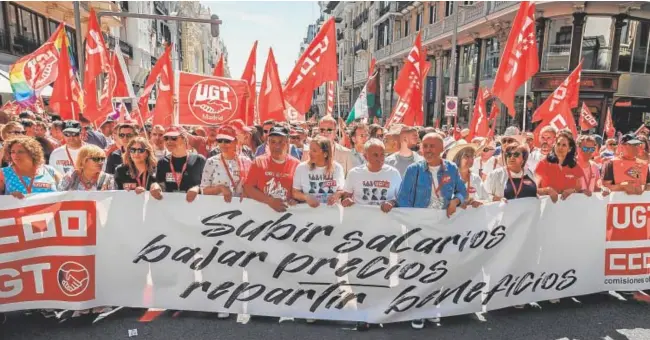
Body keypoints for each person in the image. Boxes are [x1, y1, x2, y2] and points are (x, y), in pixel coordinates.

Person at [395, 133, 466, 330]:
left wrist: (456, 200)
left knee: (436, 269)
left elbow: (462, 190)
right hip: (419, 229)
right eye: (424, 146)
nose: (427, 150)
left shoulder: (451, 168)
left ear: (441, 148)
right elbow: (403, 199)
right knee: (417, 271)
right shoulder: (413, 170)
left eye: (432, 146)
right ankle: (417, 311)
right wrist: (414, 225)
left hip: (442, 228)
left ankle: (432, 307)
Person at [244, 125, 300, 212]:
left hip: (287, 217)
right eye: (273, 142)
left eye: (281, 142)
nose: (276, 146)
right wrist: (270, 201)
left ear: (288, 143)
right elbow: (248, 188)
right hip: (261, 218)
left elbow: (300, 192)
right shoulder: (258, 162)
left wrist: (296, 200)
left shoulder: (296, 165)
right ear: (268, 143)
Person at [341, 138, 401, 210]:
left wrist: (392, 203)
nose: (380, 158)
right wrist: (348, 201)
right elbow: (345, 198)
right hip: (361, 219)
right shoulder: (354, 173)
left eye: (382, 154)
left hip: (386, 219)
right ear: (365, 156)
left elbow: (401, 199)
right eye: (375, 155)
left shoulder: (394, 173)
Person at [149, 126, 206, 202]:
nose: (169, 141)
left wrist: (197, 189)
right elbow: (160, 183)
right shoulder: (162, 162)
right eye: (166, 138)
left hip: (193, 206)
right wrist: (155, 185)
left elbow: (208, 185)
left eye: (173, 138)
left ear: (185, 139)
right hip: (170, 206)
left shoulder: (199, 160)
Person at [201, 125, 252, 202]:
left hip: (241, 207)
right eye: (220, 140)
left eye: (227, 141)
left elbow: (253, 187)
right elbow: (203, 190)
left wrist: (247, 192)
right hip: (216, 207)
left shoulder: (247, 161)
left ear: (236, 141)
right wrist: (220, 188)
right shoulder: (211, 161)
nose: (223, 144)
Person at [292, 136, 344, 207]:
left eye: (314, 151)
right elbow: (295, 192)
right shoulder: (301, 168)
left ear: (325, 154)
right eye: (310, 150)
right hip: (309, 213)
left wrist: (336, 195)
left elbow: (342, 190)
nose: (310, 153)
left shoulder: (338, 168)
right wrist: (306, 197)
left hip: (331, 213)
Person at [535, 130, 585, 203]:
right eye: (558, 144)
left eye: (564, 145)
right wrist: (547, 190)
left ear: (570, 149)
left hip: (568, 209)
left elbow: (579, 188)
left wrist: (572, 191)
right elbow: (533, 189)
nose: (560, 147)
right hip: (546, 209)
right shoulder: (543, 163)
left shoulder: (575, 167)